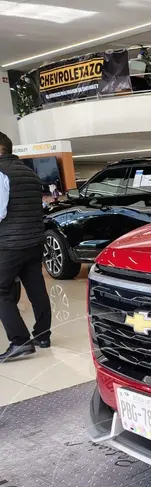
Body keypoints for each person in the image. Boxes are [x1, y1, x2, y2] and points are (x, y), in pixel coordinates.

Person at [0, 131, 51, 361]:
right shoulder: (30, 173)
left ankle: (19, 341)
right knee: (36, 287)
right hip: (34, 241)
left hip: (10, 244)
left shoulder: (1, 173)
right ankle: (43, 335)